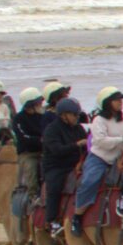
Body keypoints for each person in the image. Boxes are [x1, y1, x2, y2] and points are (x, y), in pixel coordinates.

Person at [73, 87, 123, 231]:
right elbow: (100, 141)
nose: (120, 102)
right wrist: (122, 139)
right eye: (117, 100)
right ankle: (77, 216)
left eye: (121, 99)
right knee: (89, 181)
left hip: (121, 157)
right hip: (100, 159)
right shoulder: (98, 120)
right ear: (107, 103)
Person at [39, 97, 88, 228]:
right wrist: (76, 145)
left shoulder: (79, 129)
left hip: (76, 164)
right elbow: (56, 150)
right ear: (64, 115)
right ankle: (52, 220)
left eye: (78, 114)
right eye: (74, 115)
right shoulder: (51, 130)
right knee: (54, 187)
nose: (77, 117)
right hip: (57, 166)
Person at [9, 88, 46, 227]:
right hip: (28, 153)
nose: (41, 105)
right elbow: (24, 138)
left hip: (45, 151)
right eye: (38, 103)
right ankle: (33, 197)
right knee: (31, 168)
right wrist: (41, 140)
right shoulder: (18, 119)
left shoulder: (43, 116)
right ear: (30, 104)